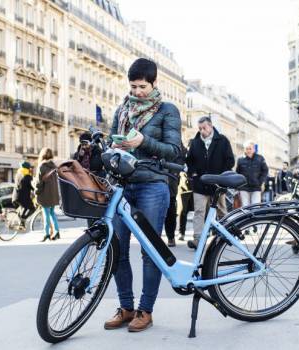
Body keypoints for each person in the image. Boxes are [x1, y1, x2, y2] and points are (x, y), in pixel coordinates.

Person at [103, 58, 181, 333]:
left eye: (142, 86)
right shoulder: (123, 109)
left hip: (152, 185)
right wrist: (116, 142)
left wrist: (142, 142)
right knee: (117, 250)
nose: (136, 92)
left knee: (150, 251)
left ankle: (145, 310)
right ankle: (126, 307)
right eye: (133, 86)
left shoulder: (167, 110)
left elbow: (174, 150)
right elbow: (113, 137)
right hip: (122, 185)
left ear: (154, 82)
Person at [185, 116, 235, 249]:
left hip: (218, 183)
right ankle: (198, 240)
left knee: (221, 211)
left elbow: (230, 161)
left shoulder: (222, 140)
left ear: (211, 126)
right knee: (199, 211)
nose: (202, 131)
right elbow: (189, 161)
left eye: (204, 128)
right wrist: (193, 172)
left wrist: (222, 175)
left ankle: (226, 235)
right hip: (200, 183)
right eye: (200, 128)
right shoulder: (195, 142)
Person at [35, 147, 60, 242]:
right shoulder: (54, 166)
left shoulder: (42, 166)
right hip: (53, 194)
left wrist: (36, 192)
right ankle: (57, 231)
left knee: (46, 214)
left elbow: (38, 182)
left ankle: (46, 234)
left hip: (44, 194)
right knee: (52, 213)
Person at [164, 142, 186, 247]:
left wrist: (175, 172)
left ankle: (171, 236)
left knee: (171, 211)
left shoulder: (176, 139)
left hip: (171, 179)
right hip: (156, 176)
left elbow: (182, 156)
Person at [235, 141, 268, 206]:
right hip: (244, 188)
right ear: (244, 149)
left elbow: (265, 170)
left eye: (250, 149)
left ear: (254, 149)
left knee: (255, 207)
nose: (248, 150)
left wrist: (261, 182)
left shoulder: (260, 158)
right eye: (247, 149)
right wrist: (238, 186)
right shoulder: (240, 159)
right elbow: (237, 173)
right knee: (245, 207)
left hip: (256, 187)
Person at [12, 161, 35, 227]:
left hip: (15, 196)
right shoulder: (28, 177)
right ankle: (22, 220)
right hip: (23, 198)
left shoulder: (18, 174)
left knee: (24, 208)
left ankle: (21, 223)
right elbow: (32, 186)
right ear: (28, 168)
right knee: (32, 208)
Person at [177, 171, 194, 241]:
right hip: (183, 189)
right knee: (183, 211)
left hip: (197, 187)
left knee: (202, 212)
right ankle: (181, 232)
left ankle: (203, 233)